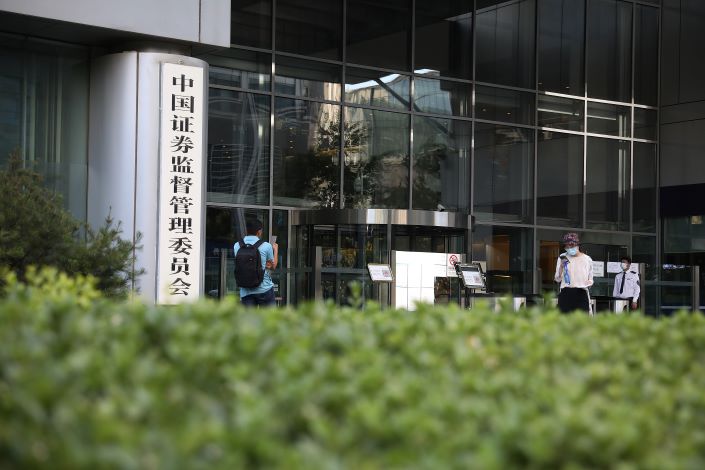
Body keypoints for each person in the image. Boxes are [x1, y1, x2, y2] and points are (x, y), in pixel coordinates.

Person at [233, 219, 278, 307]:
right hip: (264, 289)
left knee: (249, 320)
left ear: (247, 231)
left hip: (245, 290)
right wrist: (275, 250)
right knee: (270, 319)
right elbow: (273, 266)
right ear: (259, 231)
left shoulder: (237, 245)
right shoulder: (266, 246)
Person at [554, 232, 594, 313]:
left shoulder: (587, 259)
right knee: (564, 321)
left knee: (582, 321)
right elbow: (557, 279)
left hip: (581, 292)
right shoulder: (563, 257)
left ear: (578, 245)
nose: (569, 247)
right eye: (567, 245)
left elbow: (591, 279)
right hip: (566, 292)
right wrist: (561, 267)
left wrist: (587, 282)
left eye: (571, 245)